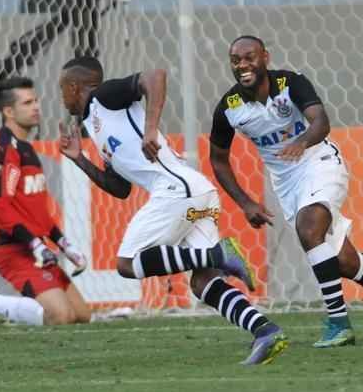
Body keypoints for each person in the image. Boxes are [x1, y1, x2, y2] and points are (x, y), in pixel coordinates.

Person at [208, 37, 363, 348]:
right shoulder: (229, 107)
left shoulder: (290, 83)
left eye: (249, 57)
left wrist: (302, 142)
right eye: (236, 60)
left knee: (309, 229)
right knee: (344, 262)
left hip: (319, 160)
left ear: (265, 57)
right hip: (286, 184)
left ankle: (338, 321)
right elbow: (218, 158)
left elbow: (321, 121)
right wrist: (246, 202)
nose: (243, 65)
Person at [57, 57, 288, 365]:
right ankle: (265, 331)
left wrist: (151, 129)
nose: (62, 97)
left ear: (74, 87)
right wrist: (79, 159)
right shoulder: (95, 125)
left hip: (178, 192)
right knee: (203, 283)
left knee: (127, 263)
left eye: (62, 89)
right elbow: (120, 188)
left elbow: (154, 75)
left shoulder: (104, 96)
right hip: (196, 194)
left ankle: (218, 256)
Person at [0, 77, 93, 328]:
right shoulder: (1, 146)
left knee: (81, 315)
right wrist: (33, 244)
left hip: (36, 248)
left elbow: (37, 213)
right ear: (8, 111)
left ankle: (3, 307)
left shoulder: (26, 148)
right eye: (28, 102)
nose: (36, 107)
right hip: (13, 250)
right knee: (61, 317)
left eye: (36, 100)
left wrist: (64, 245)